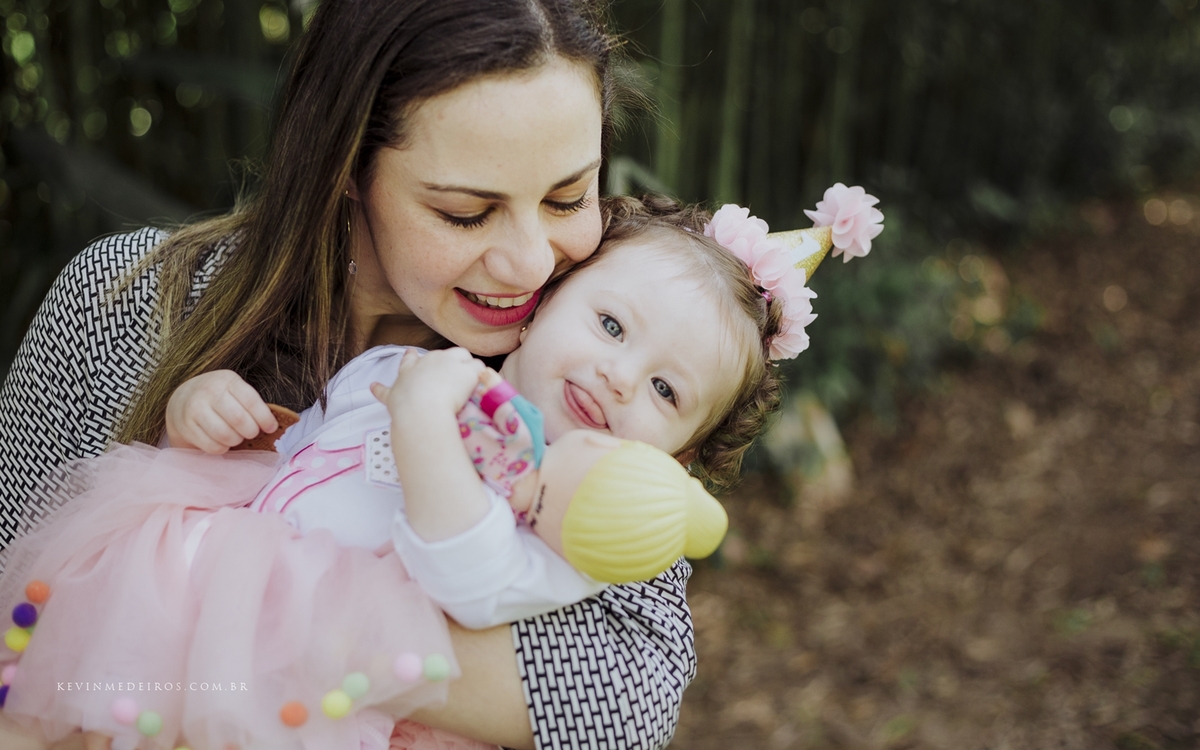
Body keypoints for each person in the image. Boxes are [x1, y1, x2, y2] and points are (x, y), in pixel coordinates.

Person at [0, 0, 683, 746]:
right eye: (463, 212)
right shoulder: (127, 304)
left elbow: (624, 699)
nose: (528, 263)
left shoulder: (585, 374)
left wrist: (194, 595)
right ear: (344, 169)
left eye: (566, 197)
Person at [0, 190, 884, 750]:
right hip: (207, 633)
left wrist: (426, 424)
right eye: (611, 327)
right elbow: (296, 460)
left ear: (680, 454)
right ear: (540, 312)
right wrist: (215, 416)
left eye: (664, 388)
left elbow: (465, 578)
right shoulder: (402, 368)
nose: (619, 375)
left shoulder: (553, 508)